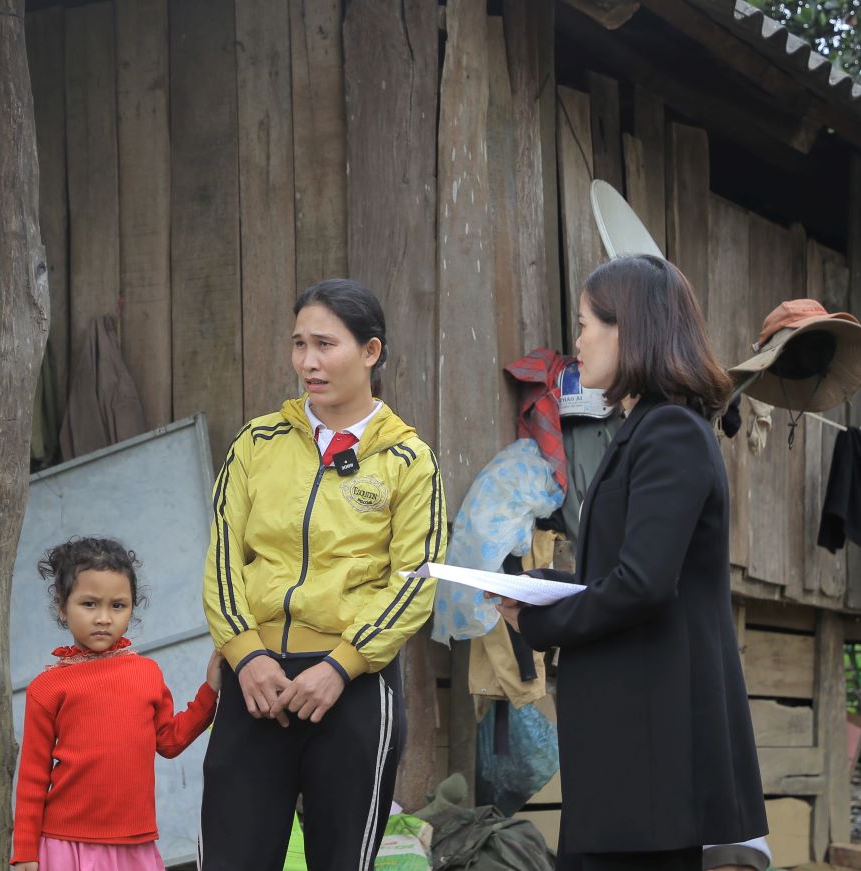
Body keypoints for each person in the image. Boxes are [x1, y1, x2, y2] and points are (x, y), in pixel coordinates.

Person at [495, 255, 767, 871]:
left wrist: (543, 622)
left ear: (632, 330)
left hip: (651, 756)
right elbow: (622, 575)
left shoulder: (669, 432)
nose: (579, 340)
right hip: (630, 753)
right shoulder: (645, 429)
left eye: (588, 323)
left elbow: (643, 587)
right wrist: (540, 588)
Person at [199, 278, 448, 871]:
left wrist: (341, 665)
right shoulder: (256, 444)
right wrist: (245, 654)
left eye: (326, 345)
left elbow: (414, 579)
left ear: (371, 352)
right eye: (299, 344)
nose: (308, 362)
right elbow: (222, 559)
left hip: (353, 693)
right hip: (253, 685)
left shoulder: (408, 462)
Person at [11, 537, 220, 870]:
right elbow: (33, 777)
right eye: (89, 604)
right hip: (68, 845)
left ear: (132, 608)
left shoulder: (146, 673)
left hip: (135, 844)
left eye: (118, 605)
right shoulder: (46, 688)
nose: (104, 618)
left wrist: (210, 691)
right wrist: (25, 852)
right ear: (63, 608)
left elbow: (169, 740)